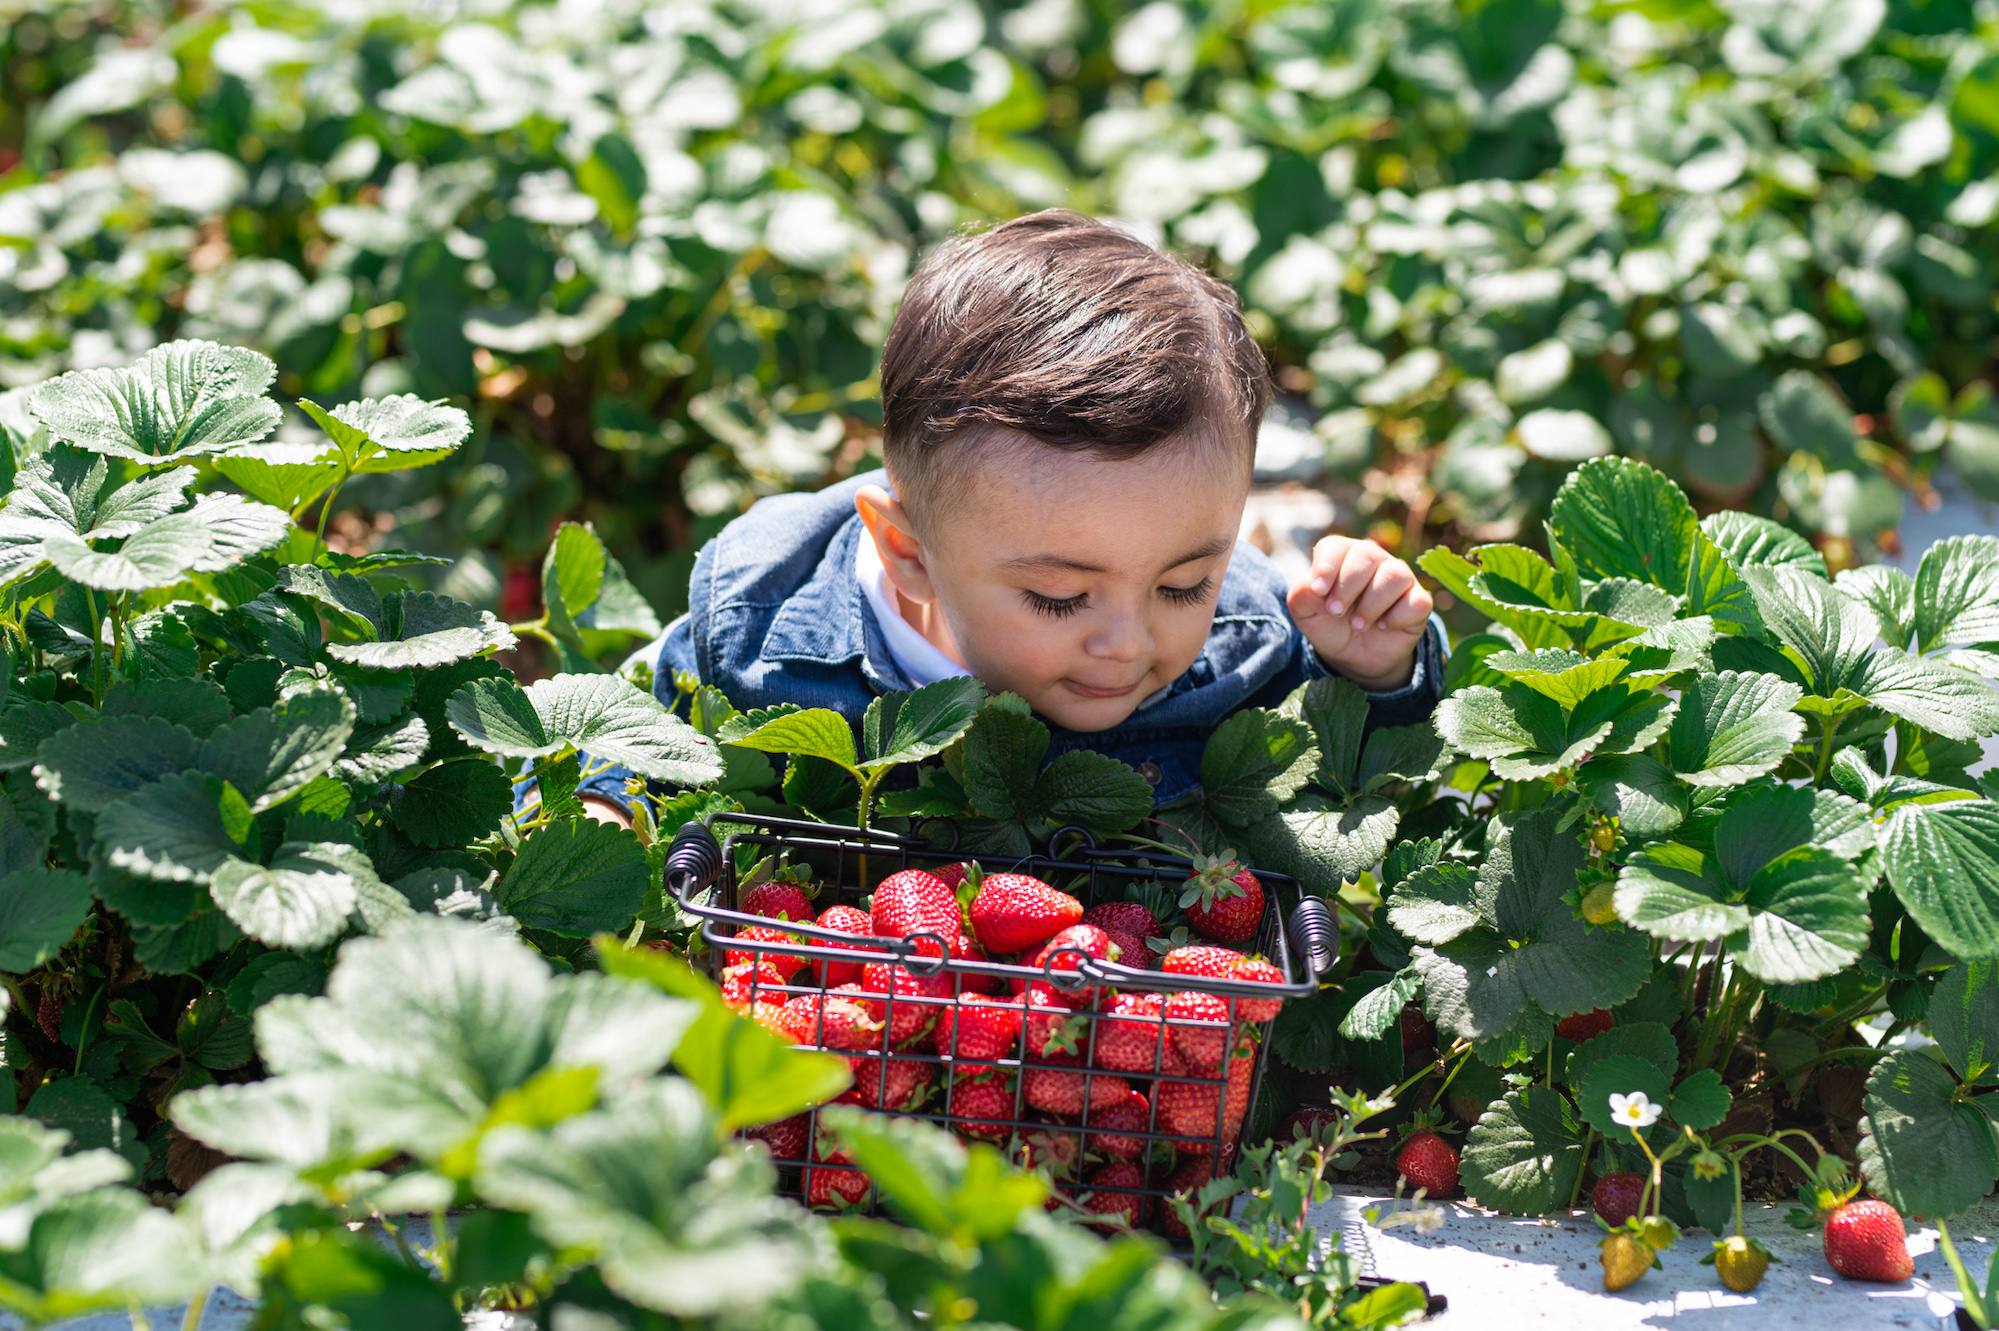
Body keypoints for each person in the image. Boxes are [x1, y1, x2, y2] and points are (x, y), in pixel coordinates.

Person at [580, 209, 1443, 823]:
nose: (1127, 642)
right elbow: (628, 731)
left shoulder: (1244, 643)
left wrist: (1377, 672)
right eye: (1061, 598)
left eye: (1183, 583)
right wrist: (604, 811)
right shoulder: (767, 636)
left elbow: (1362, 761)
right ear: (907, 549)